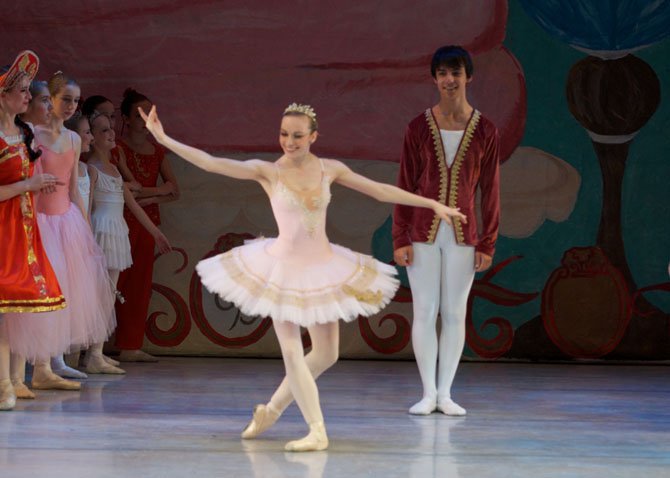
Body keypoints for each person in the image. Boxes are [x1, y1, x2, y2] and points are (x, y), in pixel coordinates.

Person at [139, 101, 466, 451]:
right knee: (293, 353)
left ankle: (271, 410)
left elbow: (380, 190)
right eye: (283, 134)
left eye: (297, 135)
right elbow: (211, 163)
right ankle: (316, 430)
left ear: (313, 137)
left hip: (323, 267)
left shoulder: (330, 169)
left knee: (326, 354)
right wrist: (163, 137)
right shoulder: (268, 171)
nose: (289, 141)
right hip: (282, 270)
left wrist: (432, 205)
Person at [392, 45, 500, 416]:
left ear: (468, 76)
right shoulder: (417, 127)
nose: (449, 80)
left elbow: (491, 191)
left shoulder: (486, 130)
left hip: (464, 238)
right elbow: (404, 184)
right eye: (442, 73)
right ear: (434, 79)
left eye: (455, 72)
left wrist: (488, 242)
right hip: (421, 234)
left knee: (454, 311)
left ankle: (446, 393)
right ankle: (427, 392)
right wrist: (400, 237)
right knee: (424, 309)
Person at [0, 51, 66, 410]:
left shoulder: (20, 133)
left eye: (29, 91)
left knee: (11, 311)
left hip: (20, 226)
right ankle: (4, 387)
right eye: (22, 91)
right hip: (2, 228)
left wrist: (34, 185)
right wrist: (28, 185)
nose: (27, 97)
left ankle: (9, 383)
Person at [86, 111, 171, 373]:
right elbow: (86, 208)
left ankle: (96, 352)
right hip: (101, 230)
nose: (111, 134)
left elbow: (132, 205)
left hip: (117, 232)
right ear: (91, 138)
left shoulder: (113, 168)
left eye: (111, 128)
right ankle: (91, 354)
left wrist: (155, 233)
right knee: (98, 293)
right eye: (103, 131)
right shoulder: (91, 168)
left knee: (109, 293)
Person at [112, 88, 179, 362]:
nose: (147, 119)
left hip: (149, 225)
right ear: (126, 118)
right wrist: (158, 191)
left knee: (139, 287)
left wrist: (148, 192)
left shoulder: (157, 151)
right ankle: (96, 346)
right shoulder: (118, 148)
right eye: (141, 114)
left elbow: (175, 191)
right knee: (116, 282)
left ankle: (130, 346)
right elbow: (126, 192)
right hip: (124, 222)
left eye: (150, 114)